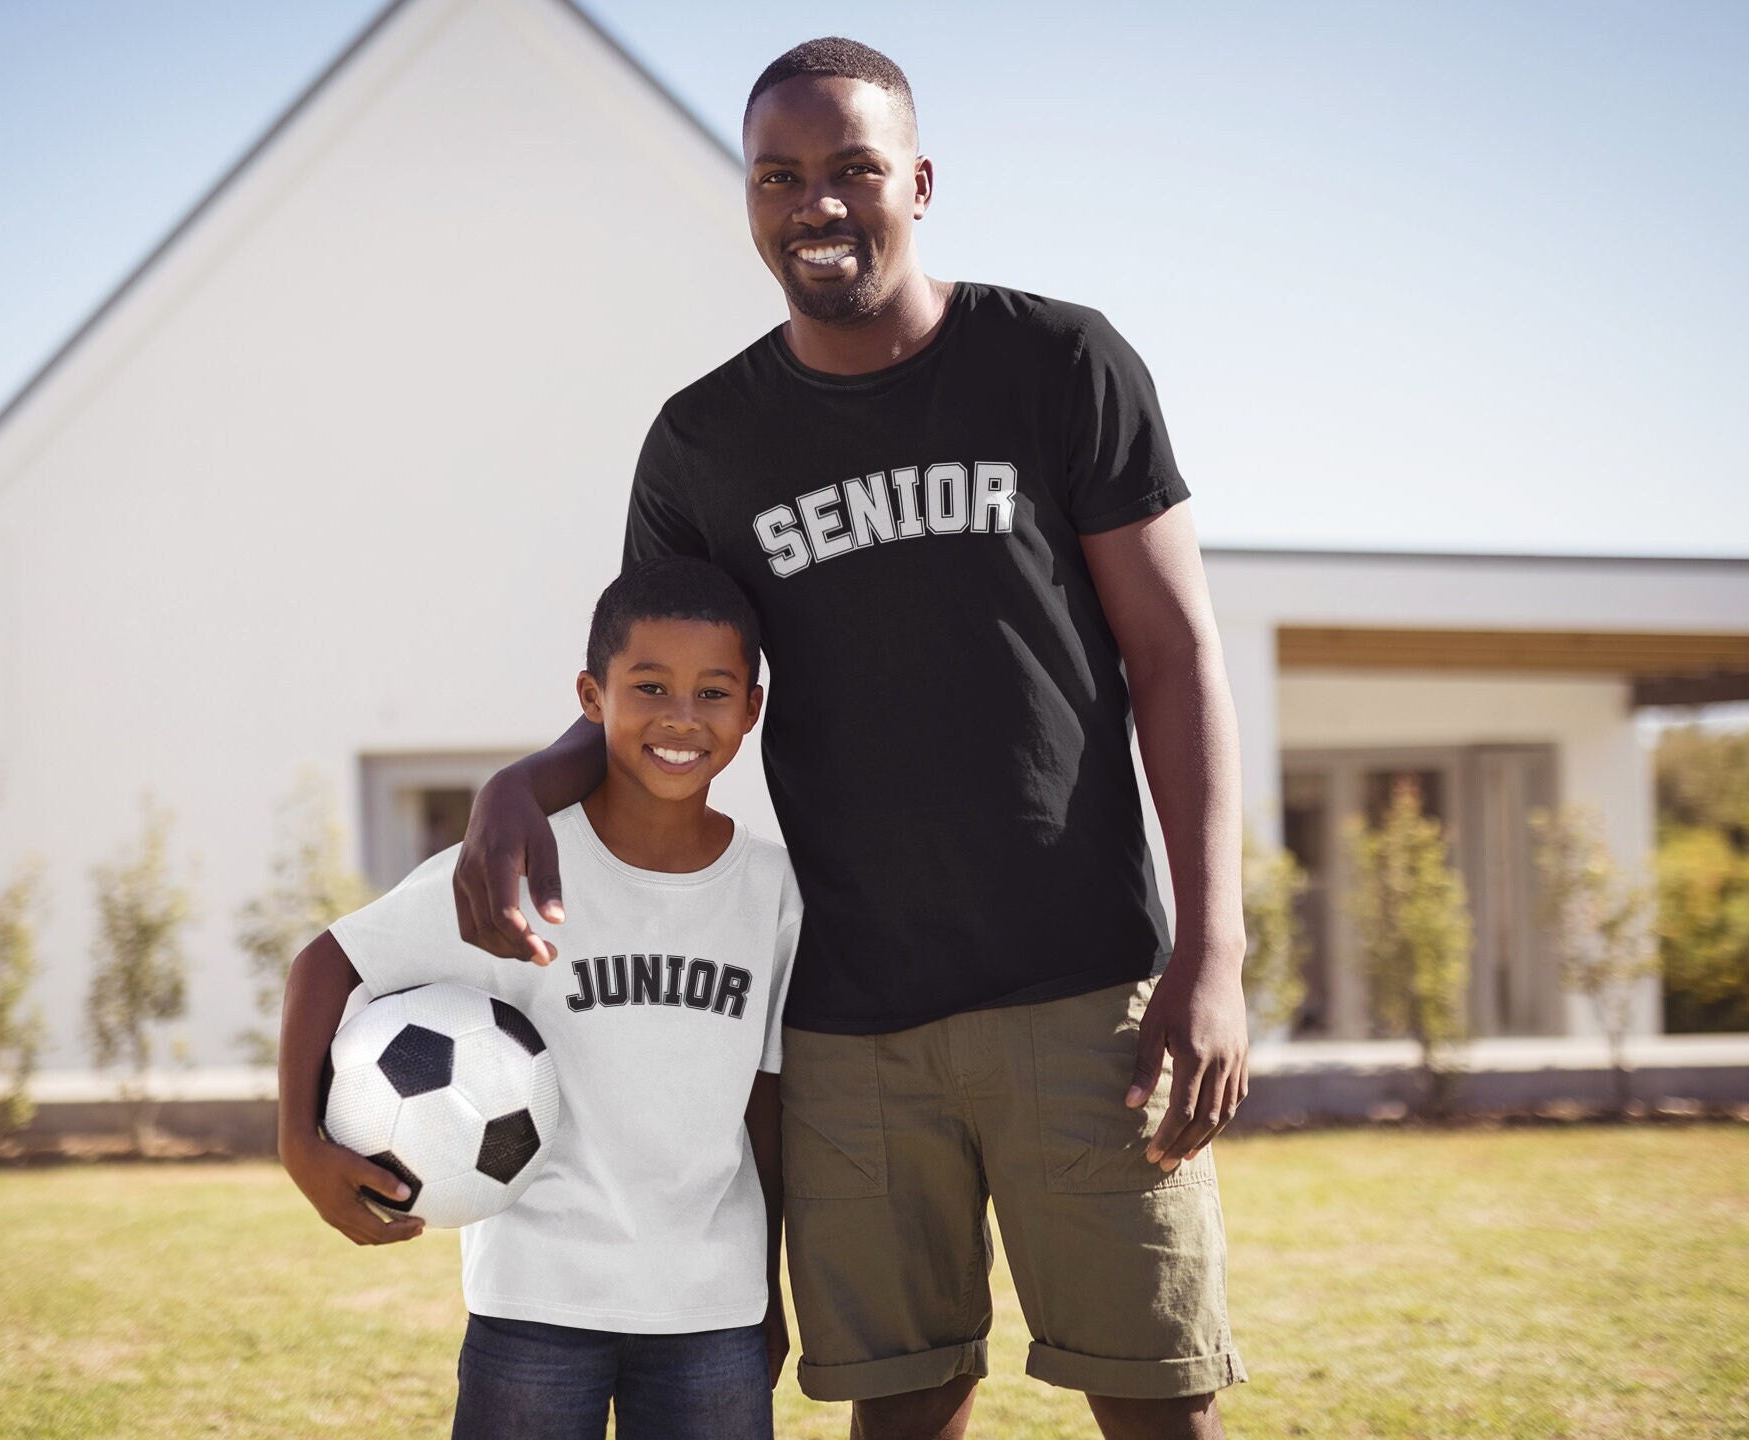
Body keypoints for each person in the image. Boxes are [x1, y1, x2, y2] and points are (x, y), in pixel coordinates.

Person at [453, 37, 1250, 1440]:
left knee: (1154, 1402)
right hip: (845, 1015)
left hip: (1080, 997)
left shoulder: (1057, 362)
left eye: (851, 171)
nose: (816, 206)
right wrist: (525, 781)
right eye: (781, 177)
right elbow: (658, 704)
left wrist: (1213, 951)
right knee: (898, 1404)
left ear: (919, 183)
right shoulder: (704, 443)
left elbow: (1176, 657)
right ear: (749, 199)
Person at [277, 558, 799, 1440]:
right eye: (649, 686)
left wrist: (769, 1284)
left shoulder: (773, 892)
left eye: (714, 692)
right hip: (534, 1302)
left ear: (751, 709)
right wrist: (298, 1141)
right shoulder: (511, 866)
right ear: (593, 698)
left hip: (709, 1308)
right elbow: (325, 964)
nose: (680, 717)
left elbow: (767, 1100)